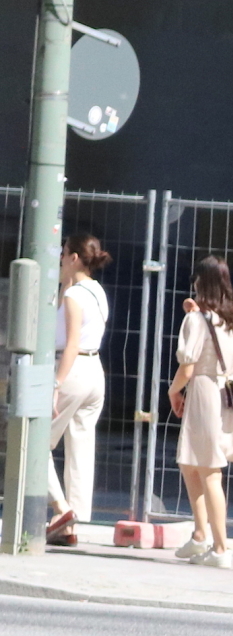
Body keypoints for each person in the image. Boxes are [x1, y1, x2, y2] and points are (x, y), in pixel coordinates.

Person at [168, 255, 233, 569]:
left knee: (210, 471)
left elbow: (187, 365)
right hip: (230, 391)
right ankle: (201, 535)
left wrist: (174, 390)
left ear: (200, 283)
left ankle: (220, 547)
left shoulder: (196, 320)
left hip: (203, 391)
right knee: (190, 463)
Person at [40, 229, 111, 546]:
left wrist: (56, 384)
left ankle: (61, 508)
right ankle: (72, 523)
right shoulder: (95, 291)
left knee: (34, 443)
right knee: (81, 446)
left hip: (72, 368)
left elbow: (69, 345)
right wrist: (65, 279)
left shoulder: (73, 297)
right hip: (95, 371)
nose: (58, 257)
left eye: (63, 252)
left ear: (73, 257)